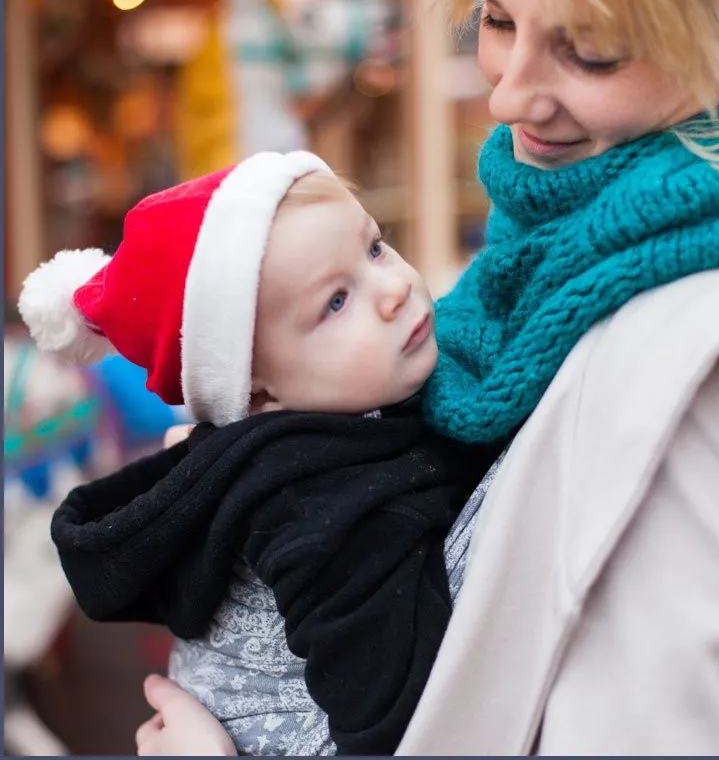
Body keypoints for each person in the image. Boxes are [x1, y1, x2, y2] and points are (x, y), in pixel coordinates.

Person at [135, 0, 719, 756]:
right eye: (497, 19)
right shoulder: (535, 290)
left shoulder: (701, 382)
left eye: (591, 50)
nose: (508, 97)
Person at [19, 153, 496, 756]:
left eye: (375, 248)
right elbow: (401, 723)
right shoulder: (321, 505)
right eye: (335, 302)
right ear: (260, 392)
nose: (396, 288)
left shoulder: (348, 424)